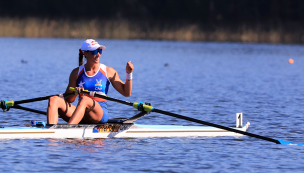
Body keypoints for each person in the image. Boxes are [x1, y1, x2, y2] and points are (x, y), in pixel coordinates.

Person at [47, 39, 134, 124]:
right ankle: (50, 132)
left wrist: (128, 73)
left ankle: (69, 129)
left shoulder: (108, 71)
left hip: (99, 114)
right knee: (53, 99)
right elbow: (68, 99)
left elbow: (127, 93)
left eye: (100, 51)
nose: (98, 54)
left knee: (85, 99)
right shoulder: (76, 72)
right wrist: (75, 92)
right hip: (81, 112)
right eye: (95, 52)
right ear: (85, 53)